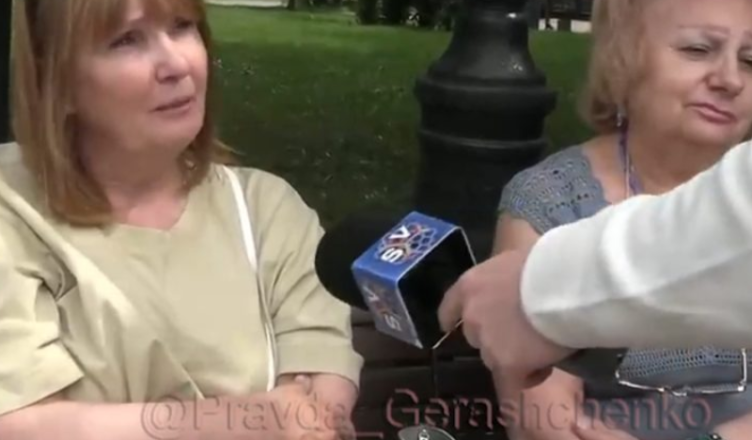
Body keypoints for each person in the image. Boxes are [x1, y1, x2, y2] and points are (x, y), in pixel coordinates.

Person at [0, 0, 362, 439]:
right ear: (57, 79)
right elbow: (21, 425)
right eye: (127, 40)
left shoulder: (267, 210)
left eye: (182, 26)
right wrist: (253, 420)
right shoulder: (12, 208)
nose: (176, 64)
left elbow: (319, 398)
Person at [444, 0, 752, 439]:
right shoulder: (551, 200)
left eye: (751, 60)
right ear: (623, 58)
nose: (730, 79)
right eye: (698, 50)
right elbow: (541, 420)